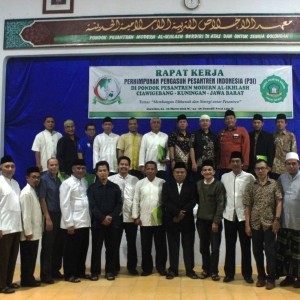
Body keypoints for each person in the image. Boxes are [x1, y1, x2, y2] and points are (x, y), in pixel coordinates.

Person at [244, 159, 282, 290]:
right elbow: (247, 206)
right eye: (257, 169)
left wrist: (277, 219)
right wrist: (247, 225)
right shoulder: (251, 185)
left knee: (270, 252)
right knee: (257, 251)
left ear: (268, 169)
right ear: (254, 171)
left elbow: (279, 202)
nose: (260, 171)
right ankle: (261, 277)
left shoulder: (274, 184)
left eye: (262, 168)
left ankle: (271, 278)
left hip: (270, 223)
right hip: (255, 224)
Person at [221, 151, 255, 283]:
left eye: (238, 161)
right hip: (229, 216)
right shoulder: (224, 177)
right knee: (229, 246)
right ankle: (229, 273)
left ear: (242, 163)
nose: (235, 163)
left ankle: (247, 274)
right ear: (230, 163)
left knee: (246, 246)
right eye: (233, 161)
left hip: (244, 217)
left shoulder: (249, 177)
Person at [162, 161, 198, 280]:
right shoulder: (167, 185)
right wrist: (177, 213)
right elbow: (165, 201)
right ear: (173, 173)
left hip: (187, 220)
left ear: (186, 173)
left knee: (188, 246)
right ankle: (173, 269)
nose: (179, 174)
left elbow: (193, 201)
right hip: (172, 220)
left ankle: (190, 270)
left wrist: (183, 213)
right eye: (177, 172)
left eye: (182, 172)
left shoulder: (192, 185)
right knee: (173, 246)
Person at [88, 161, 122, 281]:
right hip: (98, 223)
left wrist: (110, 217)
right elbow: (92, 206)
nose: (103, 173)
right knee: (96, 249)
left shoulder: (115, 187)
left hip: (113, 223)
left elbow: (119, 204)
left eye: (105, 170)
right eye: (100, 171)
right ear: (96, 173)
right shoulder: (92, 188)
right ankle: (94, 272)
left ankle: (110, 271)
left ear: (108, 172)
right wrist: (102, 218)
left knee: (111, 248)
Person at [132, 161, 167, 276]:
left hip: (159, 219)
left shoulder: (162, 182)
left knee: (160, 246)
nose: (150, 171)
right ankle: (147, 268)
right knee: (146, 246)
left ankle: (161, 267)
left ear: (156, 170)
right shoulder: (140, 184)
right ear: (144, 170)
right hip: (144, 219)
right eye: (148, 168)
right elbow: (136, 200)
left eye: (153, 169)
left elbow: (166, 201)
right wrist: (135, 216)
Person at [60, 159, 90, 283]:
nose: (80, 170)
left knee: (83, 249)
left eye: (82, 168)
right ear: (73, 169)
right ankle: (69, 274)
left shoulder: (84, 182)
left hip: (85, 221)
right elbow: (64, 204)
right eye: (78, 168)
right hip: (73, 223)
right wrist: (69, 224)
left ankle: (80, 272)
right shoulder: (66, 183)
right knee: (71, 251)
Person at [108, 156, 139, 275]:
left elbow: (137, 199)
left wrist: (136, 215)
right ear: (118, 165)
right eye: (122, 164)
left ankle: (132, 267)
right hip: (116, 216)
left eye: (126, 164)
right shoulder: (111, 179)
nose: (124, 166)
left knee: (132, 243)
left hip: (131, 216)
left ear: (129, 166)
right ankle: (114, 268)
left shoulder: (135, 180)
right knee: (114, 243)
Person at [196, 160, 225, 281]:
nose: (207, 172)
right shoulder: (198, 184)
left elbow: (221, 204)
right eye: (205, 170)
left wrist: (216, 221)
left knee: (214, 248)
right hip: (201, 221)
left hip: (214, 222)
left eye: (210, 170)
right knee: (203, 247)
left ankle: (214, 271)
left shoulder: (218, 185)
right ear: (202, 172)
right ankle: (205, 269)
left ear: (214, 171)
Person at [277, 152, 300, 288]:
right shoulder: (282, 178)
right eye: (289, 164)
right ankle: (289, 277)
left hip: (299, 222)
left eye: (294, 164)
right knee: (286, 252)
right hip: (285, 221)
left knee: (298, 253)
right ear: (285, 165)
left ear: (298, 164)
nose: (291, 166)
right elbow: (279, 197)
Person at [39, 158, 64, 283]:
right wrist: (47, 218)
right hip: (50, 215)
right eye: (51, 165)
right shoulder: (44, 179)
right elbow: (42, 199)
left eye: (56, 165)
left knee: (58, 245)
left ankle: (55, 270)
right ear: (47, 166)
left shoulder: (59, 179)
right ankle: (45, 274)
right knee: (48, 246)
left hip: (60, 215)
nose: (54, 167)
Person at [0, 155, 22, 294]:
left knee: (12, 257)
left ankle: (8, 281)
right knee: (2, 258)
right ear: (1, 167)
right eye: (7, 166)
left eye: (12, 166)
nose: (9, 169)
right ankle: (1, 285)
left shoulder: (15, 183)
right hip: (4, 227)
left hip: (15, 226)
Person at [19, 167, 42, 287]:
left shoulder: (33, 191)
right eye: (33, 177)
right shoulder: (26, 193)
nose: (36, 179)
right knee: (27, 258)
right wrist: (28, 232)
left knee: (31, 257)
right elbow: (26, 215)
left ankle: (29, 278)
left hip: (34, 232)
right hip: (29, 234)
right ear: (27, 178)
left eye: (38, 177)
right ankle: (26, 280)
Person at [218, 110, 250, 174]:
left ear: (235, 119)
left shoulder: (242, 131)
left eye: (231, 118)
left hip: (237, 165)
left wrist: (245, 163)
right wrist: (218, 163)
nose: (229, 120)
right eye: (227, 119)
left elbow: (246, 147)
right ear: (224, 121)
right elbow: (218, 149)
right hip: (224, 166)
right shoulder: (221, 133)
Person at [190, 114, 218, 181]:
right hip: (198, 166)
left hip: (211, 166)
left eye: (207, 121)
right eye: (202, 121)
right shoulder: (194, 134)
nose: (205, 122)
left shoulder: (214, 136)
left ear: (210, 122)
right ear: (199, 123)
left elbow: (216, 151)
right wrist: (193, 163)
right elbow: (191, 148)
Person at [272, 113, 297, 179]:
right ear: (276, 123)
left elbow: (293, 153)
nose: (280, 124)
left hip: (286, 169)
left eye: (282, 122)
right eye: (278, 122)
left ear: (285, 123)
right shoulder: (272, 136)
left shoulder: (290, 136)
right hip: (274, 169)